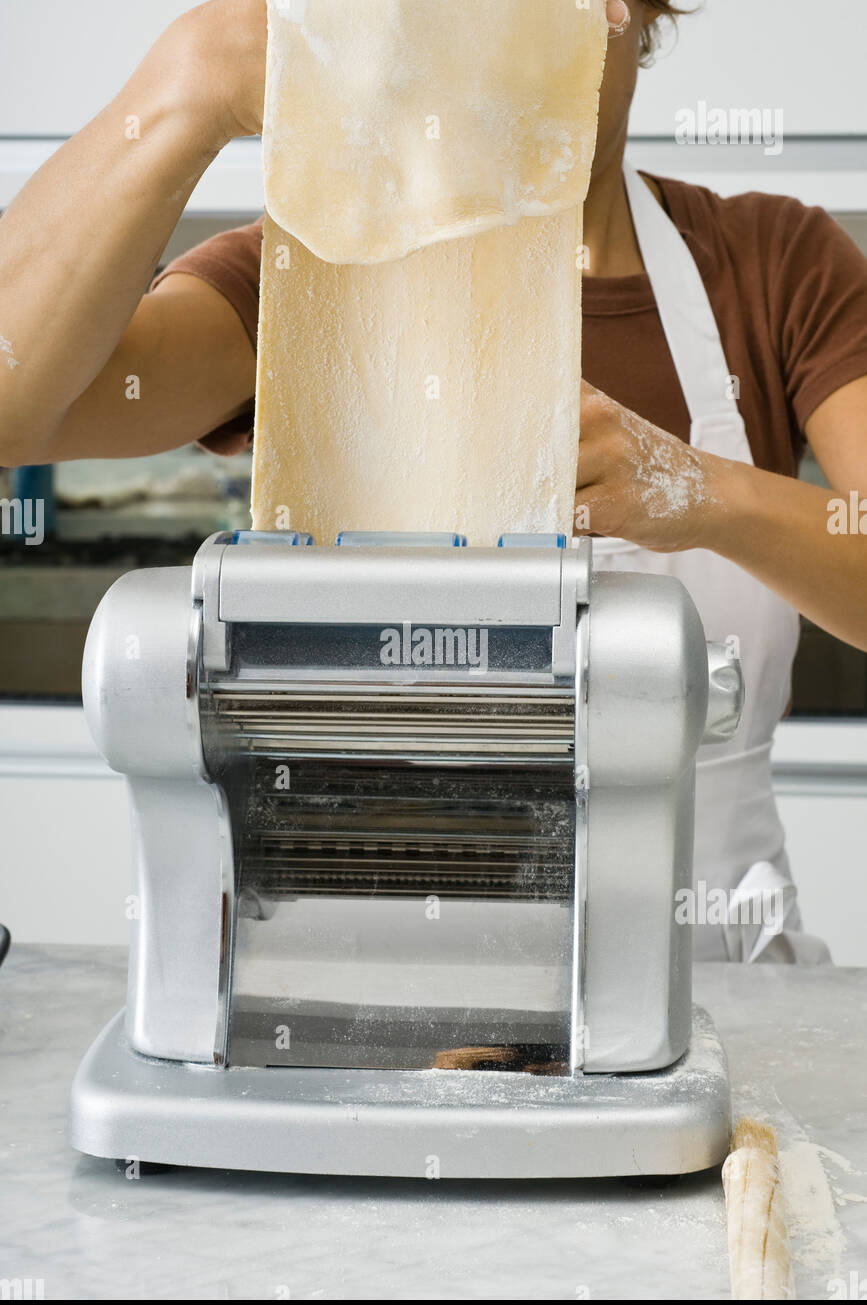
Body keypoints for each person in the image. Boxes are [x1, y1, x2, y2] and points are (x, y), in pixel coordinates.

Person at [1, 0, 865, 961]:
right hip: (365, 1014)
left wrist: (696, 490)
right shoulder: (306, 271)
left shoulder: (771, 264)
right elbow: (11, 409)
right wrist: (190, 80)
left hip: (711, 1001)